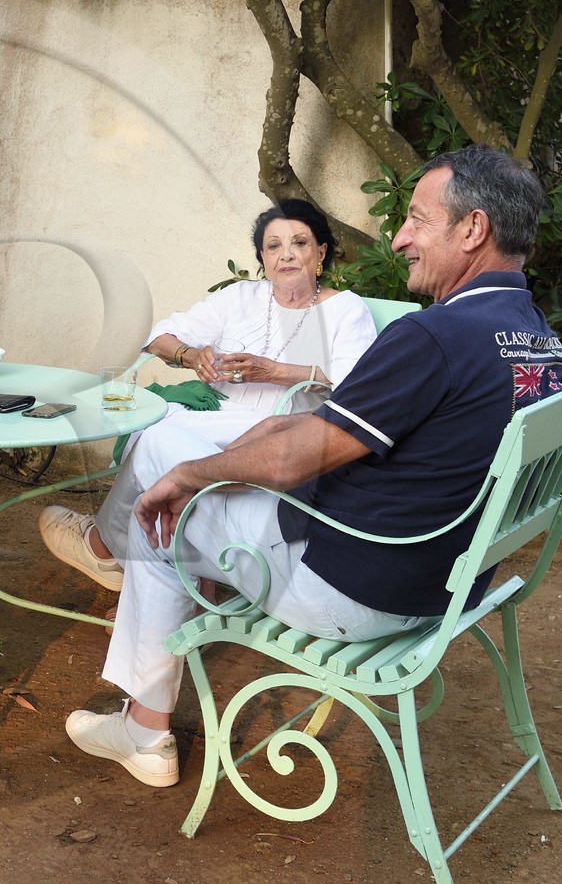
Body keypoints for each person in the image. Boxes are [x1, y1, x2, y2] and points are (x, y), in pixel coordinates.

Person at [63, 145, 562, 788]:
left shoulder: (436, 336)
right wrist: (247, 442)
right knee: (174, 479)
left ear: (473, 229)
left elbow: (290, 462)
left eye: (417, 219)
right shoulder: (539, 339)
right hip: (444, 583)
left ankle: (143, 730)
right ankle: (137, 594)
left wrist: (191, 476)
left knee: (163, 504)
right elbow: (325, 428)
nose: (399, 238)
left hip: (355, 589)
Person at [39, 200, 377, 606]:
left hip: (282, 430)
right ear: (262, 259)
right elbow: (159, 337)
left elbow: (355, 382)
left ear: (320, 252)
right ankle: (182, 577)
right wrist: (190, 355)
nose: (286, 255)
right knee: (151, 429)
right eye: (273, 246)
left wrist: (274, 371)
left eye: (299, 243)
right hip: (217, 413)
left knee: (157, 440)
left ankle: (107, 547)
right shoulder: (242, 298)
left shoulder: (345, 309)